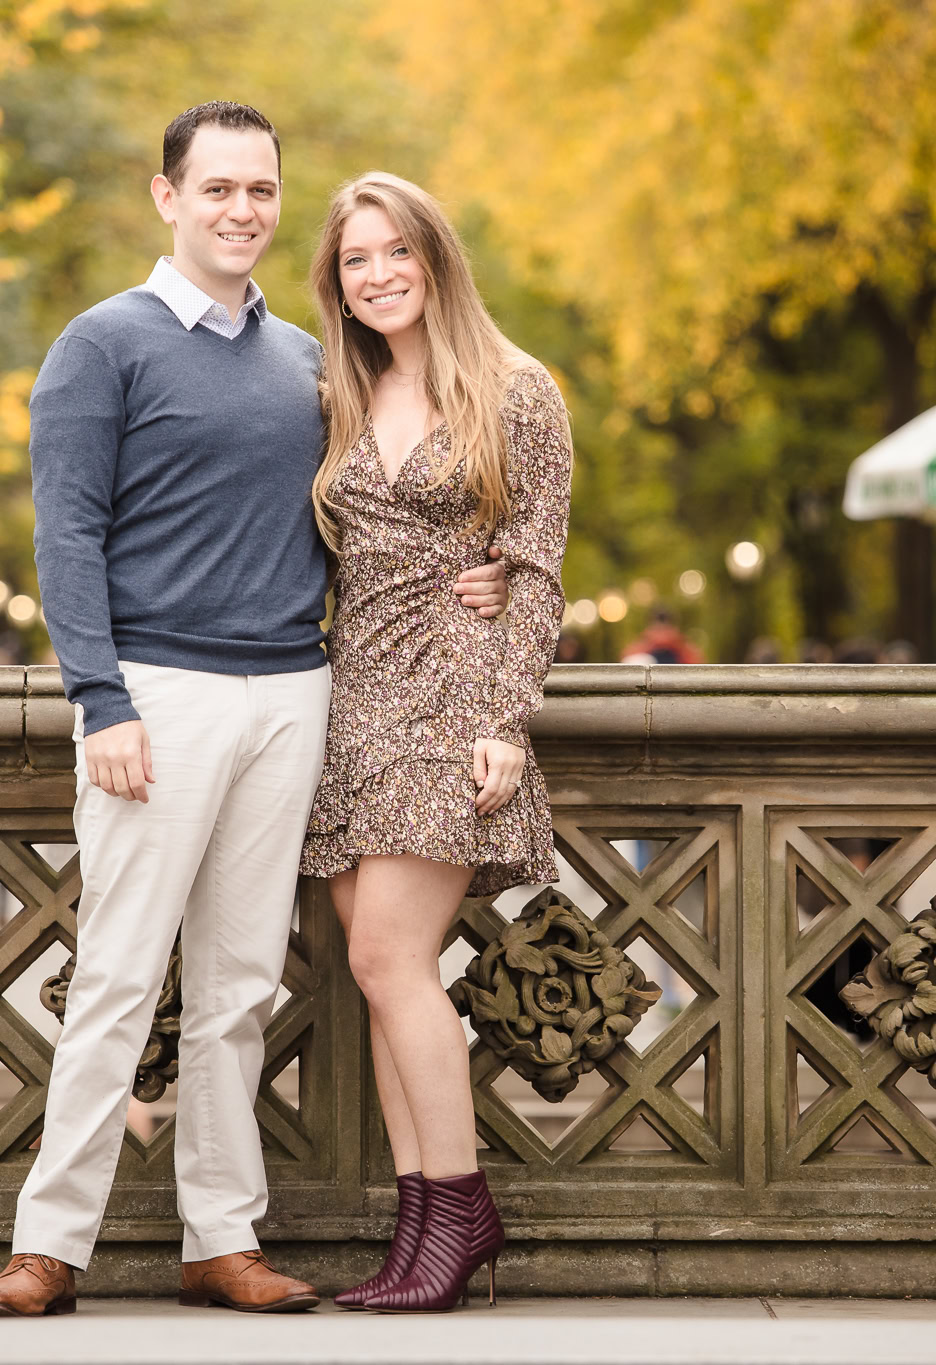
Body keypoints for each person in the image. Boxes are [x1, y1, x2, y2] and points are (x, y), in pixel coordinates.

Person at [0, 104, 509, 1319]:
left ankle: (221, 1239)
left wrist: (480, 574)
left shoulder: (313, 364)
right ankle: (47, 1245)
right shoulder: (99, 345)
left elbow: (382, 514)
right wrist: (98, 698)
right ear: (167, 198)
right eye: (215, 189)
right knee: (114, 974)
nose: (241, 211)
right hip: (155, 694)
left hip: (295, 693)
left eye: (259, 191)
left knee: (237, 985)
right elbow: (68, 535)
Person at [298, 172, 572, 1313]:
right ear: (337, 284)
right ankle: (420, 1230)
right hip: (348, 698)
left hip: (453, 696)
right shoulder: (336, 395)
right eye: (355, 261)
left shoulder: (515, 392)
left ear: (435, 258)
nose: (377, 276)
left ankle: (457, 1209)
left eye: (394, 253)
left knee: (386, 962)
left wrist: (502, 716)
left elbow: (539, 565)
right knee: (376, 974)